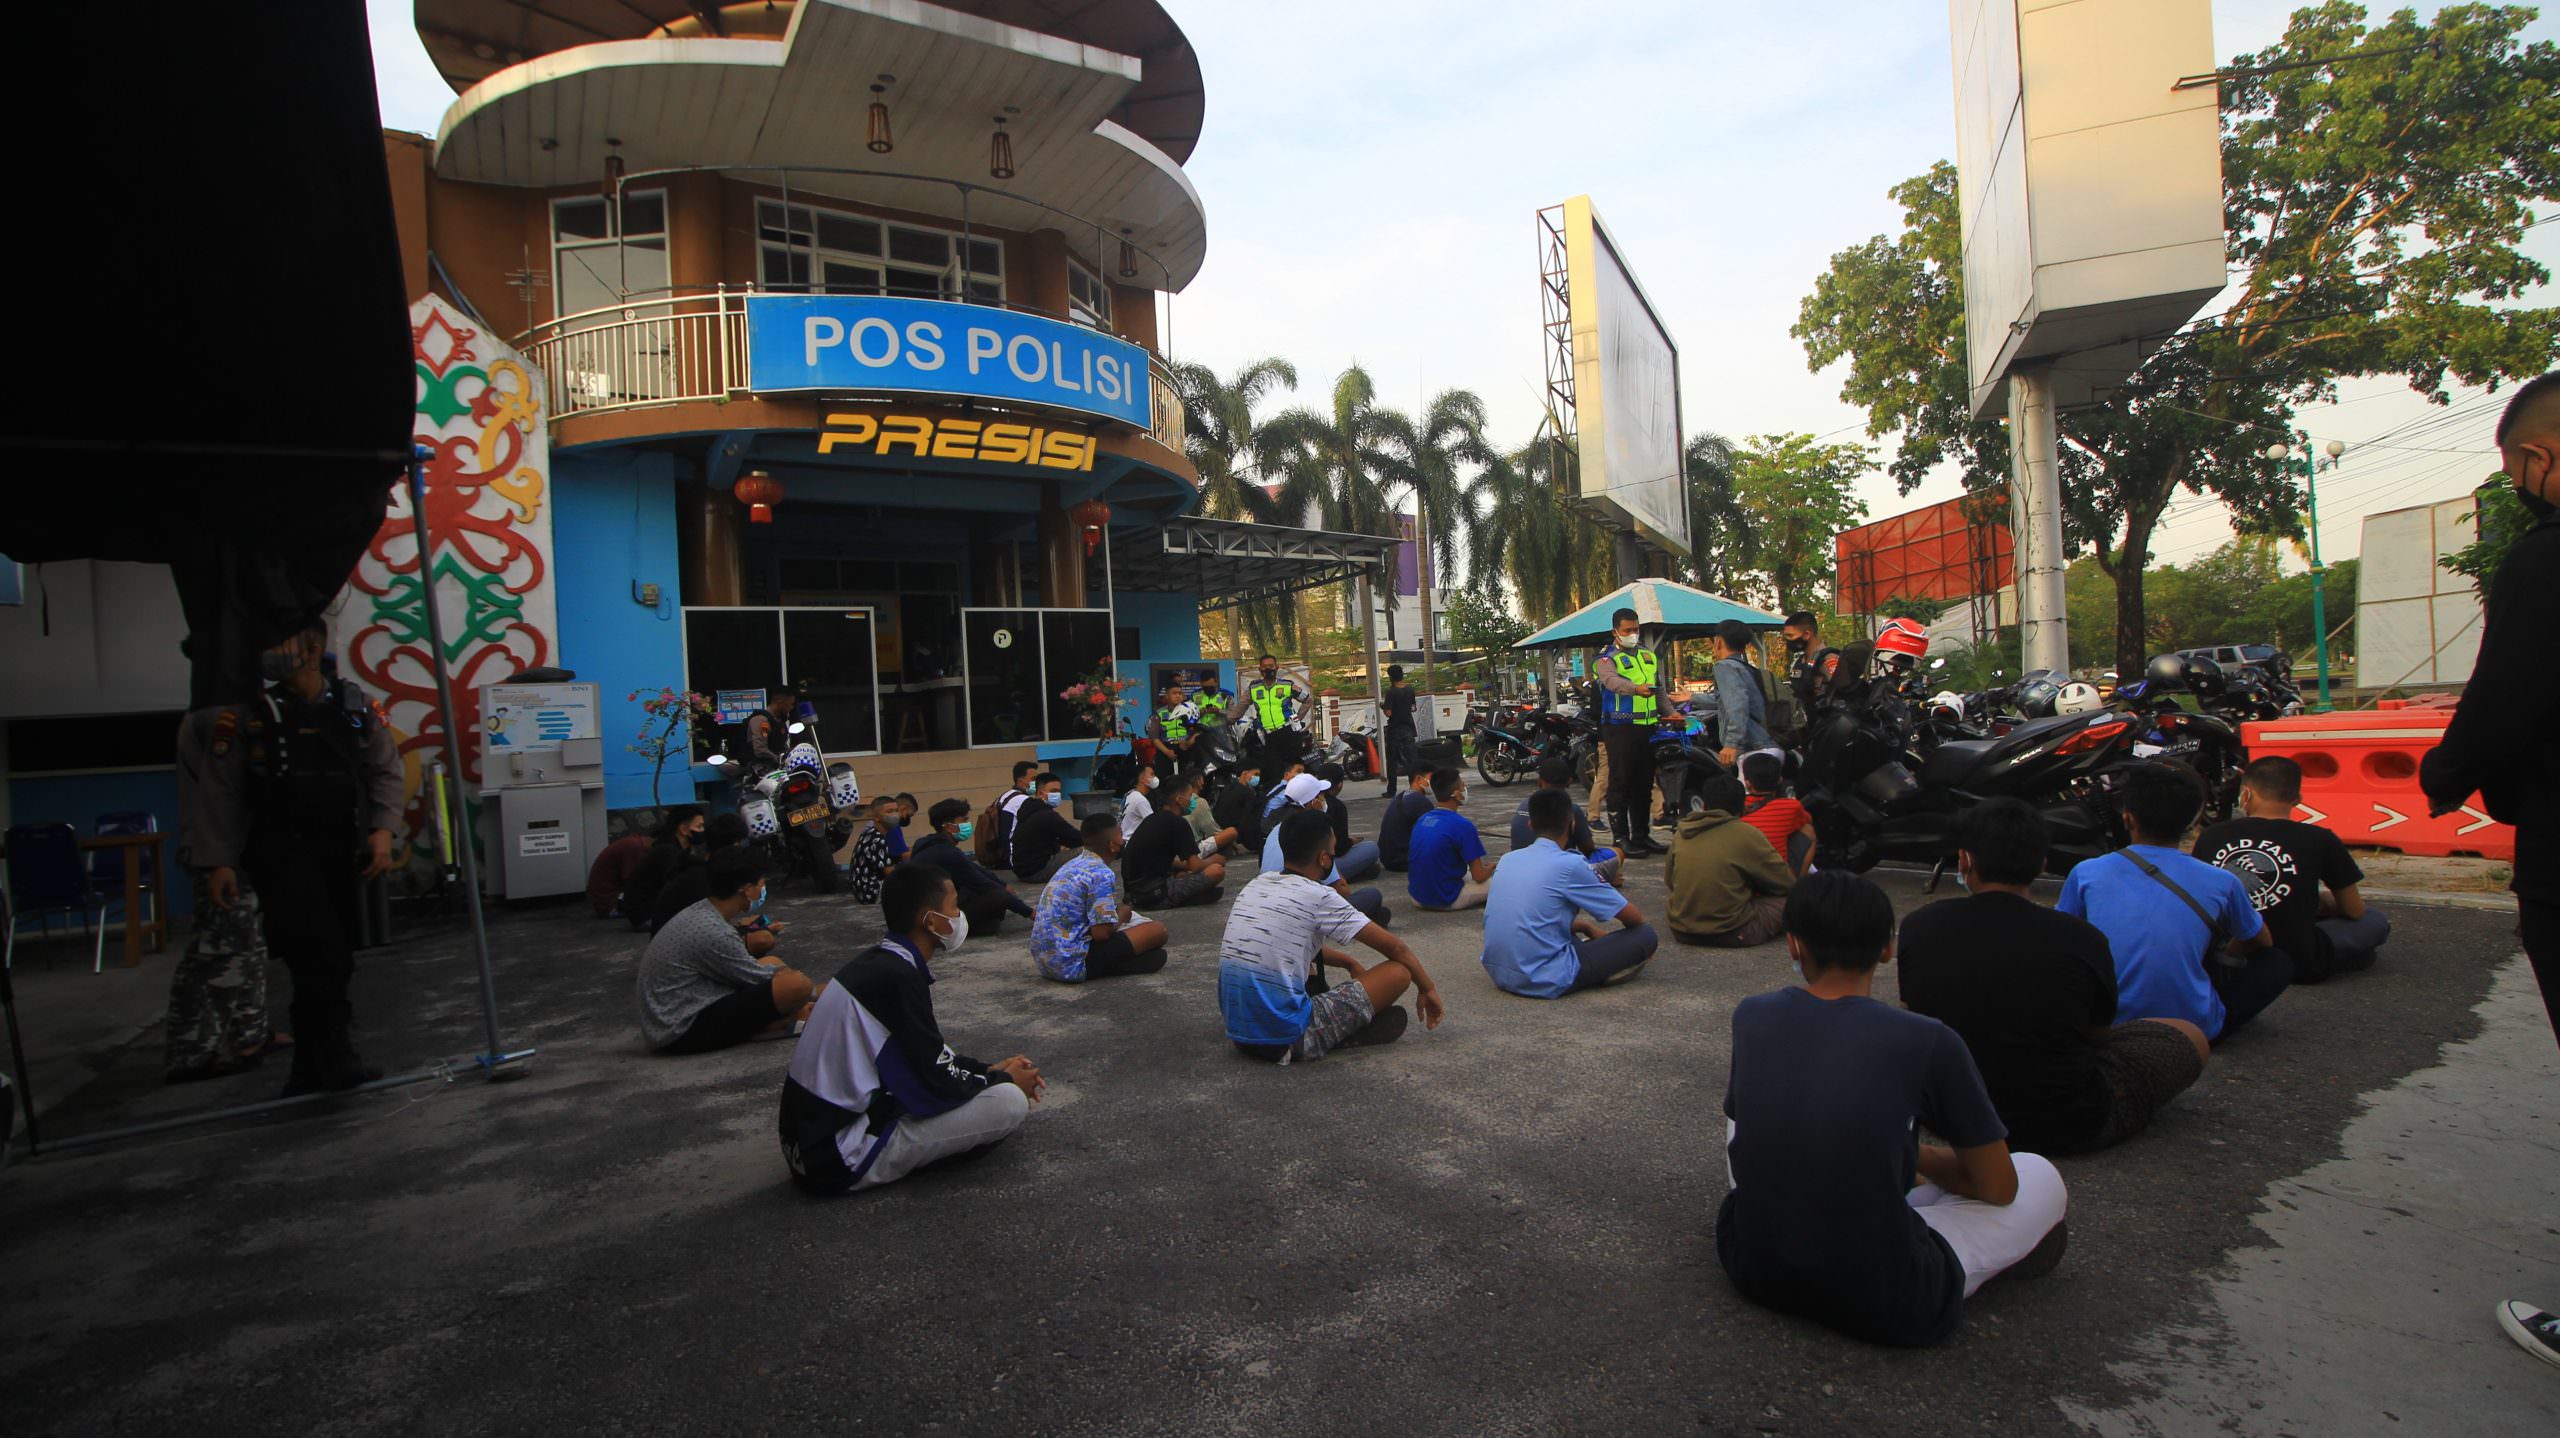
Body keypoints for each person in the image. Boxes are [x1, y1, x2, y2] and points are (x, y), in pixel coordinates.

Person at [1718, 870, 2070, 1346]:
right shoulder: (1927, 1039)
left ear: (1793, 946)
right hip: (1888, 1295)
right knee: (2037, 1174)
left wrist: (1903, 1155)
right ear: (1887, 947)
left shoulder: (1752, 1014)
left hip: (1751, 1260)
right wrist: (1919, 1156)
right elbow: (1998, 1186)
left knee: (1774, 1130)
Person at [1899, 799, 2208, 1155]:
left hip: (1952, 1118)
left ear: (1966, 859)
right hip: (2069, 1124)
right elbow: (2098, 1033)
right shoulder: (2082, 937)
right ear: (2042, 863)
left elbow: (1915, 1015)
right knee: (2190, 1036)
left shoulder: (1920, 926)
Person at [175, 626, 403, 1095]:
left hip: (341, 850)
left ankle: (317, 1065)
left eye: (282, 642)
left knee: (335, 957)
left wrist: (383, 829)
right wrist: (219, 860)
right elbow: (223, 792)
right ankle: (332, 1062)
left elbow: (382, 766)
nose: (270, 651)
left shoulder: (353, 708)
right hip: (280, 852)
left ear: (313, 649)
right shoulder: (252, 714)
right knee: (315, 953)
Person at [779, 864, 1043, 1194]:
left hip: (809, 1142)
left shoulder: (880, 964)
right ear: (932, 922)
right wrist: (1004, 1080)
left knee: (989, 1088)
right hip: (836, 1158)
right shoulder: (898, 978)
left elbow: (927, 1055)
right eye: (954, 906)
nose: (959, 915)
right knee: (1008, 1103)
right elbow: (932, 1080)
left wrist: (987, 1070)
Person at [2058, 762, 2287, 1040]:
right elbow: (2261, 942)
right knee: (2277, 962)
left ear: (2128, 818)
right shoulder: (2222, 881)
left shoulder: (2086, 873)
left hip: (2107, 1024)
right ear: (2191, 823)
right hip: (2191, 1031)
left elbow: (2065, 942)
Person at [1220, 809, 1445, 1063]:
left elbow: (1290, 947)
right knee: (1399, 973)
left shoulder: (1256, 885)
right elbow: (1396, 949)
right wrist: (1428, 988)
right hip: (1285, 1038)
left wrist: (1348, 962)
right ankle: (1338, 1034)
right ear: (1324, 859)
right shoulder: (1318, 895)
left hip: (1239, 1033)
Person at [2195, 756, 2390, 983]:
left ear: (2246, 794)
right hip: (2300, 962)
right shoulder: (2320, 839)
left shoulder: (2212, 835)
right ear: (2297, 799)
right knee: (2374, 919)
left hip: (2224, 955)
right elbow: (2354, 910)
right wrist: (2322, 902)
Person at [1480, 787, 1658, 997]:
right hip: (1543, 978)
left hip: (1498, 972)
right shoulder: (1571, 864)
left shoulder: (1509, 859)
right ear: (1572, 824)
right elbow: (1634, 919)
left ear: (1530, 825)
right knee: (1645, 935)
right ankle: (1602, 970)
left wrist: (1584, 926)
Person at [637, 847, 816, 1054]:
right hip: (679, 1031)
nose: (763, 888)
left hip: (671, 1017)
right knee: (797, 985)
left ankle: (788, 1016)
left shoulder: (703, 910)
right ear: (747, 889)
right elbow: (760, 980)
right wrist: (812, 992)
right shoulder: (713, 931)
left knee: (772, 963)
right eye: (761, 883)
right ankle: (786, 1019)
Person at [1030, 813, 1171, 981]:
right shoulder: (1101, 874)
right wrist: (1122, 916)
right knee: (1157, 931)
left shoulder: (1071, 864)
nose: (1123, 839)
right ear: (1112, 845)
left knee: (1155, 956)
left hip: (1046, 962)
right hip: (1071, 963)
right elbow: (1101, 934)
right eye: (1120, 834)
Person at [1665, 776, 1794, 947]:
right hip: (1732, 932)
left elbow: (1670, 881)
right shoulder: (1746, 833)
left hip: (1681, 930)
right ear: (1743, 806)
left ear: (1704, 805)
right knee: (1792, 902)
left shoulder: (1681, 833)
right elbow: (1785, 883)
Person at [1259, 773, 1390, 927]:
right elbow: (1342, 890)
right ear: (1312, 803)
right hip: (1301, 910)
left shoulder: (1278, 828)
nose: (1324, 800)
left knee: (1371, 882)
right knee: (1372, 895)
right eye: (1321, 796)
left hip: (1271, 902)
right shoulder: (1316, 832)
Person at [645, 814, 773, 958]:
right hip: (678, 952)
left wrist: (743, 927)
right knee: (765, 946)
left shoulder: (698, 869)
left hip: (675, 945)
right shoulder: (703, 877)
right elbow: (706, 932)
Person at [1593, 607, 1665, 857]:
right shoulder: (1606, 658)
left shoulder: (1647, 655)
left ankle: (1642, 835)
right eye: (1628, 630)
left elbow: (1658, 688)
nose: (1633, 634)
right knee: (1620, 782)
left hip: (1647, 728)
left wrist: (1671, 711)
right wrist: (1635, 689)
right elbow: (1610, 681)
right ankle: (1621, 838)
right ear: (1616, 632)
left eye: (1636, 629)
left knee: (1644, 784)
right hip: (1620, 728)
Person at [908, 798, 1034, 936]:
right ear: (949, 827)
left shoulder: (928, 844)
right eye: (963, 820)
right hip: (933, 915)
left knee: (989, 891)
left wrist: (1003, 884)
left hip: (920, 911)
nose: (967, 824)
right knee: (998, 896)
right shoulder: (947, 853)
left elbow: (973, 869)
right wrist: (1030, 912)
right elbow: (983, 883)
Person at [1506, 757, 1621, 885]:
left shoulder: (1524, 805)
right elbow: (1588, 849)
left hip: (1523, 870)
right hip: (1557, 873)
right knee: (1617, 852)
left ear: (1540, 781)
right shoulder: (1571, 810)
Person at [1123, 771, 1228, 910]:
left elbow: (1167, 861)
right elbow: (1195, 866)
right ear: (1179, 799)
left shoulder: (1153, 819)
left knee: (1183, 873)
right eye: (1190, 797)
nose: (1192, 802)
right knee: (1216, 871)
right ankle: (1171, 899)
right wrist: (1214, 859)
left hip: (1133, 892)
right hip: (1152, 892)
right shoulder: (1178, 823)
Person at [1406, 768, 1493, 912]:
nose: (1465, 789)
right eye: (1462, 786)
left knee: (1465, 871)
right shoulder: (1463, 825)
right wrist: (1492, 868)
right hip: (1445, 899)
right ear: (1456, 794)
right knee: (1500, 882)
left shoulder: (1423, 819)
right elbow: (1479, 876)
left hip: (1417, 897)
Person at [618, 805, 707, 930]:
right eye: (699, 826)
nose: (702, 830)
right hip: (647, 916)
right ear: (683, 829)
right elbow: (677, 888)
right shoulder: (668, 851)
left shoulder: (675, 847)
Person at [1707, 619, 1779, 771]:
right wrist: (1691, 698)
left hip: (1752, 750)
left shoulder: (1724, 667)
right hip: (1769, 745)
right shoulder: (1746, 668)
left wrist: (1731, 744)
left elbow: (1737, 704)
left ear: (1718, 642)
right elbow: (1726, 700)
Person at [1736, 752, 1814, 875]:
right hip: (1779, 879)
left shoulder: (1737, 806)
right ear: (1780, 780)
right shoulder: (1790, 806)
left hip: (1743, 878)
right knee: (1808, 830)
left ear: (1747, 783)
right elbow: (1807, 821)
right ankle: (1799, 883)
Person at [1007, 772, 1083, 884]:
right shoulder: (1046, 815)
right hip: (1036, 872)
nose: (1057, 795)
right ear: (1040, 793)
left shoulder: (1029, 809)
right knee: (1086, 850)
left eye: (1059, 791)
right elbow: (1076, 838)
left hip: (1022, 870)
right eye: (1053, 791)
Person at [1312, 763, 1381, 882]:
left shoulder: (1305, 801)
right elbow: (1339, 849)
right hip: (1322, 866)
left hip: (1300, 863)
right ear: (1339, 784)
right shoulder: (1336, 806)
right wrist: (1350, 841)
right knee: (1372, 848)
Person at [1244, 655, 1307, 775]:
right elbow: (1240, 707)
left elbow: (1307, 700)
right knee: (1274, 771)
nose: (1268, 669)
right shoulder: (1254, 688)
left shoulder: (1287, 685)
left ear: (1277, 667)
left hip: (1288, 732)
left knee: (1294, 769)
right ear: (1260, 669)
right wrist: (1229, 720)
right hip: (1269, 735)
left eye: (1271, 666)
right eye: (1265, 667)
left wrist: (1299, 717)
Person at [585, 830, 655, 920]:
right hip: (609, 905)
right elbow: (634, 883)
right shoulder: (635, 848)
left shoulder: (634, 843)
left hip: (605, 899)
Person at [845, 794, 901, 905]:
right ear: (876, 817)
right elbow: (889, 873)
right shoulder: (878, 840)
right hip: (871, 892)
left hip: (861, 889)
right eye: (889, 812)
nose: (895, 815)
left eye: (896, 810)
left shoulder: (869, 833)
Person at [1377, 769, 1435, 872]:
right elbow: (1431, 837)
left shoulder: (1400, 797)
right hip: (1404, 860)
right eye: (1432, 779)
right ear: (1418, 779)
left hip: (1387, 859)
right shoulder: (1421, 802)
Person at [1214, 756, 1271, 856]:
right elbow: (1247, 819)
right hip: (1238, 837)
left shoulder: (1228, 788)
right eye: (1255, 774)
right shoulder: (1247, 793)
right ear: (1244, 774)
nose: (1257, 778)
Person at [987, 760, 1039, 865]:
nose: (1036, 783)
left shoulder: (1005, 796)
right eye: (1033, 779)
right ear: (1020, 781)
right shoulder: (1022, 801)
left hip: (1000, 856)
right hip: (1012, 858)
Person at [1380, 663, 1420, 798]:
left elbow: (1388, 713)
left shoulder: (1391, 692)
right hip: (1408, 728)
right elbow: (1413, 708)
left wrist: (1383, 707)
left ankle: (1391, 790)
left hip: (1395, 729)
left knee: (1392, 760)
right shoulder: (1410, 689)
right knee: (1411, 760)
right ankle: (1414, 787)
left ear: (1391, 677)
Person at [1146, 684, 1201, 775]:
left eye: (1180, 693)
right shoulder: (1158, 713)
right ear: (1167, 696)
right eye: (1174, 693)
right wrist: (1167, 752)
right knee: (1164, 777)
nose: (1178, 696)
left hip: (1185, 747)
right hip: (1166, 748)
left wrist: (1189, 742)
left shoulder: (1191, 711)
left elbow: (1199, 730)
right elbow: (1154, 738)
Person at [1119, 762, 1160, 841]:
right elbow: (1154, 824)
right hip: (1132, 843)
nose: (1155, 777)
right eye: (1152, 774)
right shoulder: (1140, 800)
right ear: (1141, 778)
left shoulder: (1129, 794)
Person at [885, 792, 918, 862]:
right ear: (903, 809)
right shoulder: (892, 826)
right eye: (910, 815)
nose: (909, 818)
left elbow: (902, 849)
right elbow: (902, 856)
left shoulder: (891, 823)